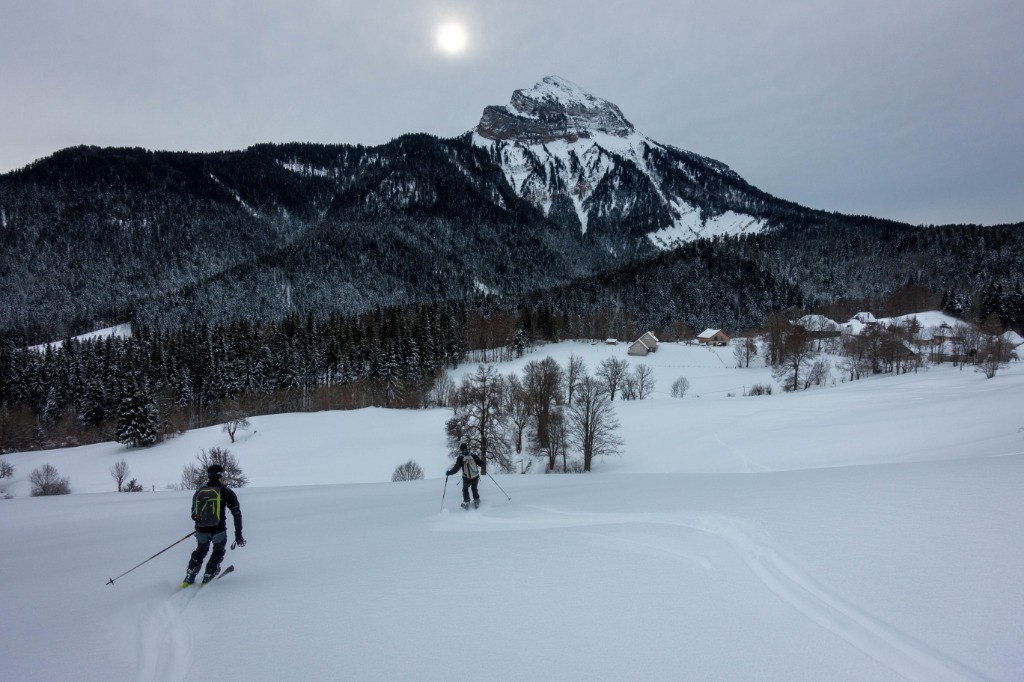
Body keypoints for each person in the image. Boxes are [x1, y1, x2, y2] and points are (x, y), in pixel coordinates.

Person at [183, 464, 244, 586]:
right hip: (219, 529)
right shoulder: (226, 491)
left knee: (200, 550)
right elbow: (237, 513)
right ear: (221, 475)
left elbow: (193, 513)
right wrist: (238, 535)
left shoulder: (200, 491)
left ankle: (190, 575)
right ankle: (209, 575)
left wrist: (201, 524)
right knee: (218, 550)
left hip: (201, 530)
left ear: (208, 475)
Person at [446, 442, 486, 509]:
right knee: (474, 488)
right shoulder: (473, 455)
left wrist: (449, 473)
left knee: (465, 489)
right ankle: (476, 500)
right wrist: (482, 465)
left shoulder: (460, 458)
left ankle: (467, 501)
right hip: (475, 476)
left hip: (467, 478)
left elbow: (456, 469)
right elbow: (481, 463)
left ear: (461, 449)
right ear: (467, 448)